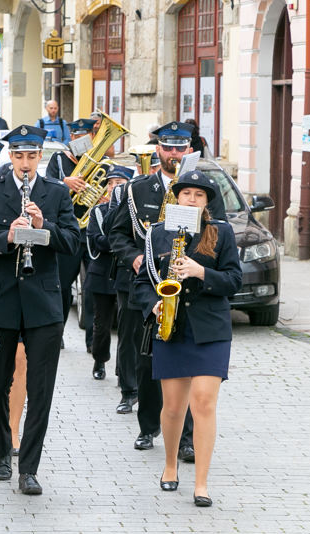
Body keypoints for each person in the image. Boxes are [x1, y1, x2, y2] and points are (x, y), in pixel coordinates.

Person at [0, 125, 80, 495]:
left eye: (32, 156)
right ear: (9, 157)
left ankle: (29, 468)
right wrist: (9, 237)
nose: (26, 163)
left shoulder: (57, 193)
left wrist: (43, 228)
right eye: (19, 156)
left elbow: (73, 242)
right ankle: (2, 451)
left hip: (43, 303)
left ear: (40, 157)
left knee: (40, 389)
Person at [133, 170, 242, 507]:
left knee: (205, 402)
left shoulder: (221, 232)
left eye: (199, 195)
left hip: (210, 329)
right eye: (186, 194)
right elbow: (141, 283)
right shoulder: (157, 235)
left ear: (207, 201)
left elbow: (234, 280)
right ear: (176, 198)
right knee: (173, 408)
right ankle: (169, 466)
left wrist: (201, 272)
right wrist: (153, 306)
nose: (191, 199)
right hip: (173, 327)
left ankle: (202, 484)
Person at [46, 118, 98, 351]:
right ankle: (58, 333)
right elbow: (46, 188)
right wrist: (64, 182)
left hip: (93, 232)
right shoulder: (59, 160)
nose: (80, 140)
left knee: (93, 288)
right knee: (63, 286)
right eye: (76, 136)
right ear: (71, 138)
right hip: (68, 231)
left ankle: (92, 342)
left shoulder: (101, 162)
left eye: (85, 136)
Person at [85, 164, 133, 384]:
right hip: (102, 273)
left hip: (125, 272)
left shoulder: (135, 212)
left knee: (126, 324)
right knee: (101, 324)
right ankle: (99, 359)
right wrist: (120, 242)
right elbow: (97, 240)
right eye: (111, 183)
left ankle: (123, 368)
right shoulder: (98, 211)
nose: (114, 187)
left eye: (119, 184)